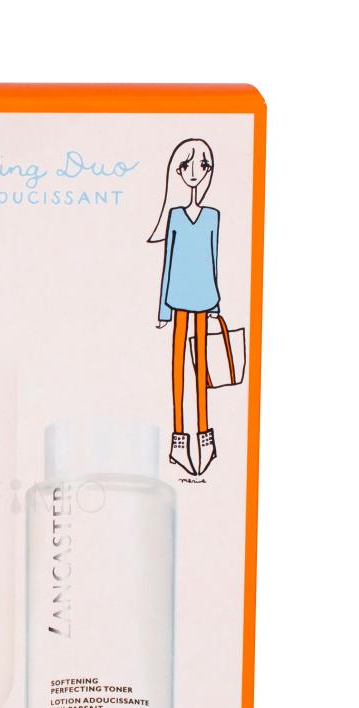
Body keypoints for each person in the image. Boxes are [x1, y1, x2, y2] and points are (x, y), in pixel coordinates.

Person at [148, 138, 220, 476]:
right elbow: (168, 262)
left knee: (201, 365)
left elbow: (214, 260)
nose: (194, 173)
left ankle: (205, 436)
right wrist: (163, 310)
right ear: (178, 172)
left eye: (201, 166)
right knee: (178, 366)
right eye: (187, 166)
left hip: (205, 297)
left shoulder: (212, 217)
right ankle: (179, 439)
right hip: (177, 298)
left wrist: (217, 303)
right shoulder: (175, 216)